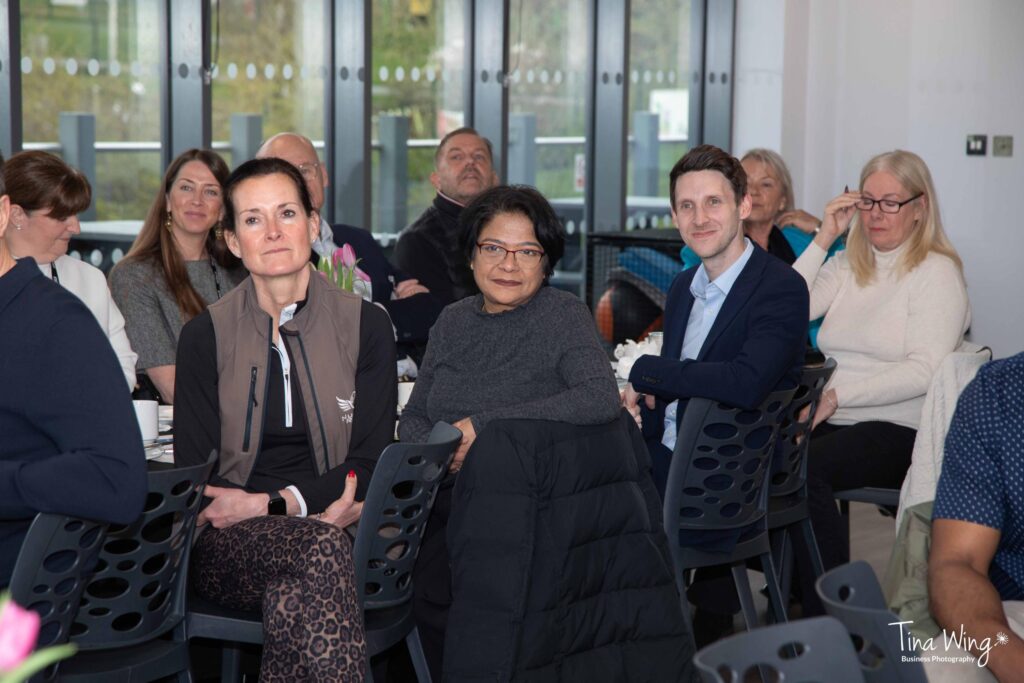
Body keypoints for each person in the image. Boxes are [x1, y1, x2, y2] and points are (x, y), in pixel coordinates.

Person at [174, 157, 397, 681]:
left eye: (287, 214)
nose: (273, 232)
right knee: (319, 550)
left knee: (293, 597)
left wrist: (277, 503)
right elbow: (199, 478)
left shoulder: (366, 325)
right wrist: (279, 513)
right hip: (231, 541)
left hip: (343, 525)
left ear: (313, 225)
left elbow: (370, 461)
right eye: (253, 219)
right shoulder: (205, 336)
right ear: (232, 241)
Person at [398, 184, 621, 678]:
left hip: (524, 504)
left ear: (546, 263)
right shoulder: (452, 321)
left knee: (447, 584)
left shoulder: (563, 315)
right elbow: (412, 417)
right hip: (440, 491)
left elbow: (598, 396)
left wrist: (485, 429)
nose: (509, 265)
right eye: (494, 248)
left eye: (527, 252)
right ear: (472, 255)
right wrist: (443, 448)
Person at [796, 149, 970, 612]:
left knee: (803, 469)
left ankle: (837, 616)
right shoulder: (848, 263)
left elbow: (925, 368)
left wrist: (837, 396)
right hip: (837, 415)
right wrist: (823, 237)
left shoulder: (937, 272)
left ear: (919, 208)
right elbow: (786, 310)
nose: (876, 214)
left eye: (890, 203)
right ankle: (743, 602)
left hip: (900, 427)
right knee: (761, 456)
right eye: (868, 201)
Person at [622, 144, 808, 496]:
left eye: (713, 202)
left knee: (588, 491)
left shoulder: (781, 287)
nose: (699, 218)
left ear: (744, 206)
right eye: (687, 206)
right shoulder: (683, 286)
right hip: (667, 452)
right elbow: (676, 389)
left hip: (725, 472)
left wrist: (648, 371)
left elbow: (745, 382)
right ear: (674, 216)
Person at [0, 160, 146, 587]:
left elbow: (116, 480)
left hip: (19, 597)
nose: (74, 227)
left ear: (4, 213)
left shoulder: (56, 321)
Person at [256, 132, 442, 355]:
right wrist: (389, 312)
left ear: (323, 175)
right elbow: (314, 331)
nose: (299, 183)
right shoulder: (271, 255)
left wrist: (361, 317)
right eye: (285, 174)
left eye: (305, 170)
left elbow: (427, 310)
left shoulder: (359, 240)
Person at [109, 149, 245, 404]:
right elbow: (171, 388)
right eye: (186, 188)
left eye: (210, 192)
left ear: (222, 209)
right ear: (168, 201)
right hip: (178, 421)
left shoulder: (241, 272)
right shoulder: (134, 276)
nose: (197, 200)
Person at [2, 150, 137, 388]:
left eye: (75, 215)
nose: (76, 227)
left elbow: (122, 366)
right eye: (62, 217)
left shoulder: (90, 279)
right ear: (16, 215)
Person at [930, 353, 1024, 682]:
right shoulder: (998, 393)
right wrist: (1013, 662)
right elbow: (959, 562)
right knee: (944, 666)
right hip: (1015, 611)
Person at [393, 127, 499, 308]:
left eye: (479, 156)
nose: (470, 162)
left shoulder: (515, 230)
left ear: (494, 178)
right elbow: (437, 317)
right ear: (436, 180)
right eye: (456, 157)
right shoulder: (417, 241)